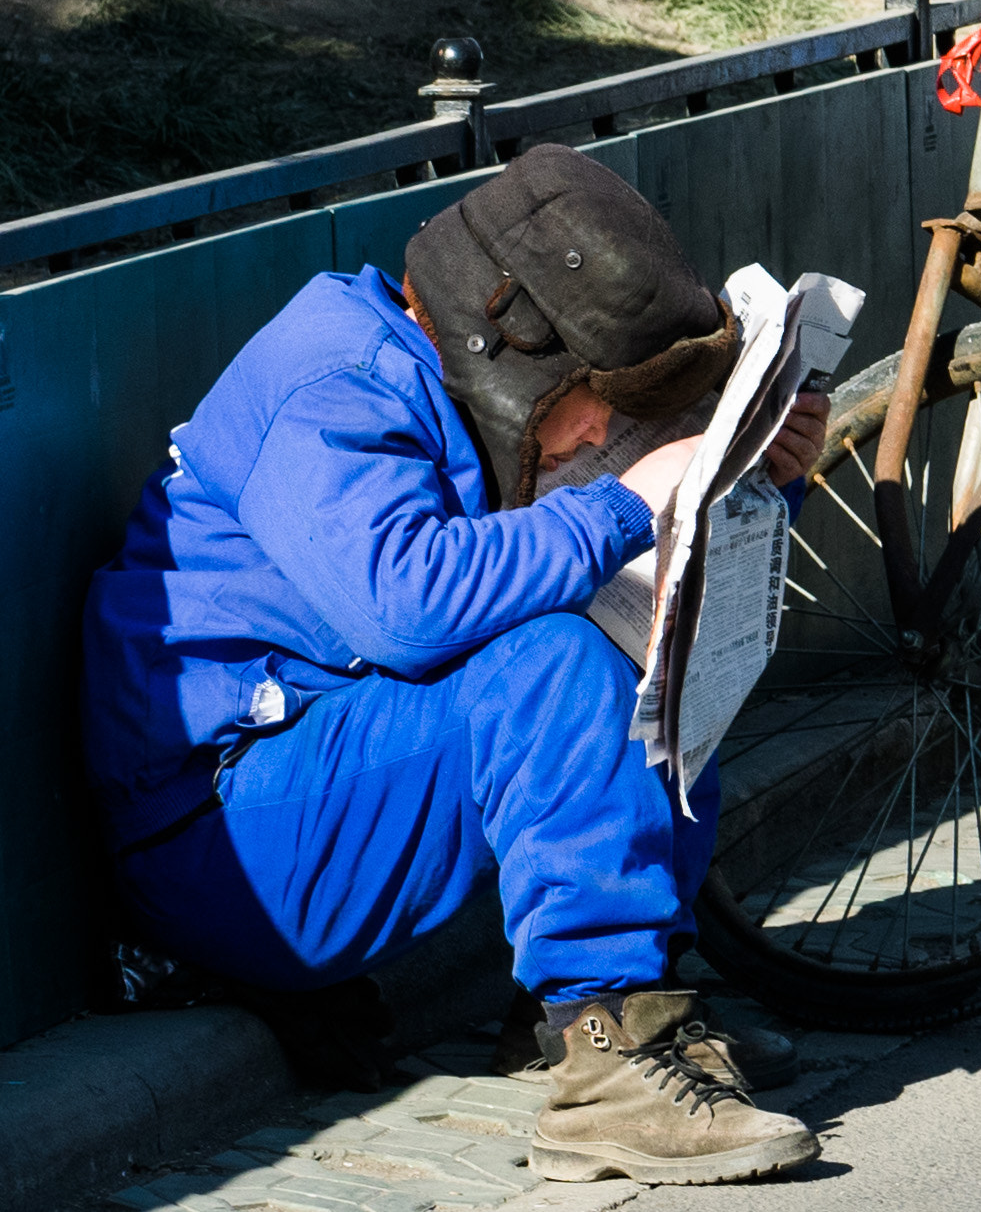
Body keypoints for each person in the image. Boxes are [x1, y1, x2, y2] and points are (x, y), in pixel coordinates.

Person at [81, 145, 831, 1185]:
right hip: (225, 835)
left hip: (336, 762)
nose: (606, 433)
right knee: (552, 657)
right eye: (598, 407)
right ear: (515, 359)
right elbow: (407, 612)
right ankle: (603, 1068)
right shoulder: (330, 375)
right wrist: (622, 502)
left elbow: (646, 570)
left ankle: (621, 998)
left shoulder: (456, 381)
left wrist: (758, 478)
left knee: (666, 637)